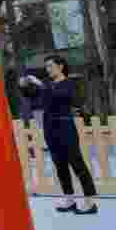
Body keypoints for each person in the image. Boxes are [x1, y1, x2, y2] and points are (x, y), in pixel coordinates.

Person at [20, 56, 98, 215]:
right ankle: (69, 199)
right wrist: (24, 86)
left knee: (76, 162)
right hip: (50, 127)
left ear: (61, 66)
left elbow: (62, 97)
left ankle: (90, 201)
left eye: (50, 66)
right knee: (60, 165)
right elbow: (34, 96)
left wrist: (40, 85)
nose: (47, 69)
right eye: (46, 66)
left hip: (65, 125)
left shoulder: (69, 83)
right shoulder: (47, 85)